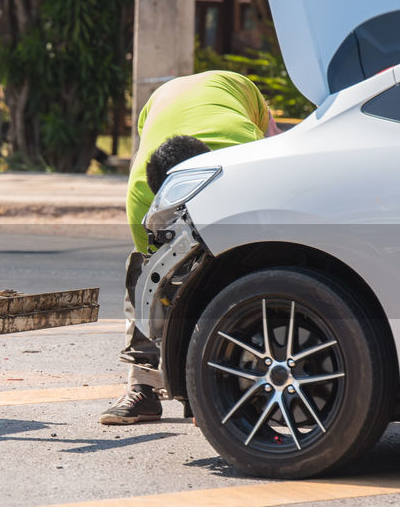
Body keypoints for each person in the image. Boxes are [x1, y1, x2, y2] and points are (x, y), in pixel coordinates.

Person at [101, 70, 279, 425]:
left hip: (234, 89)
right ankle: (143, 388)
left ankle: (224, 382)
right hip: (163, 101)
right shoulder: (141, 194)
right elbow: (157, 283)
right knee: (144, 277)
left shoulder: (249, 157)